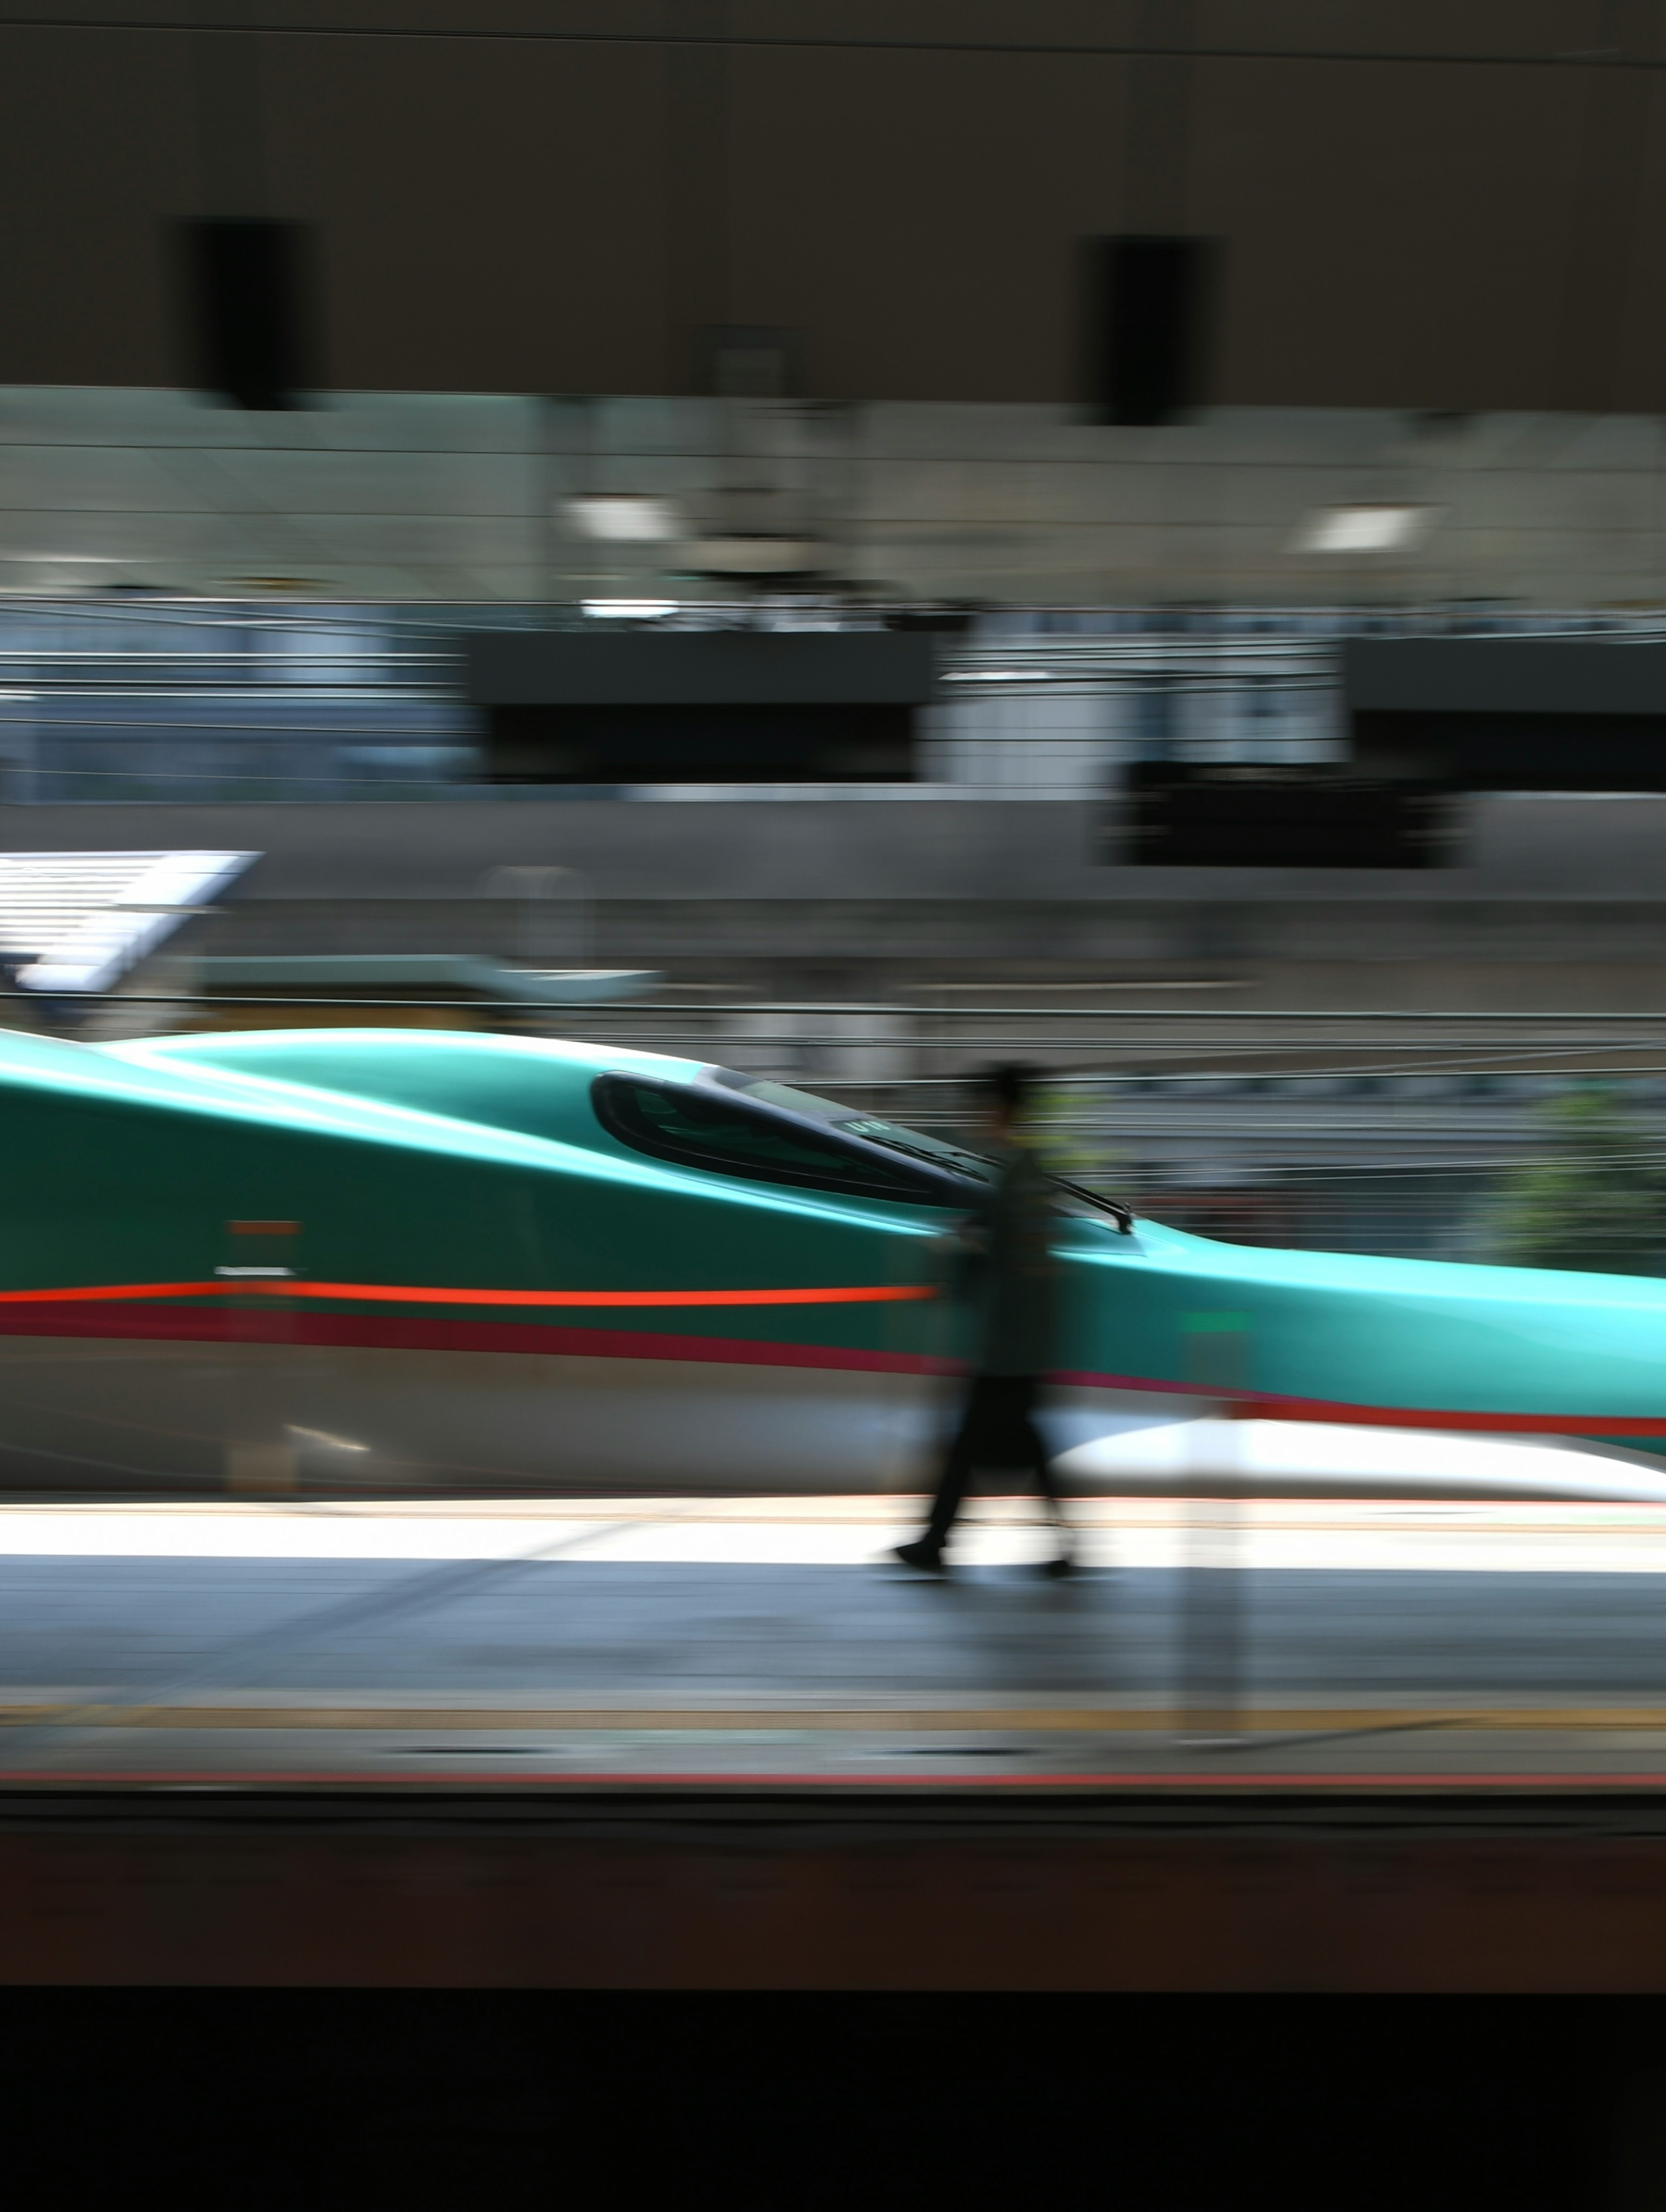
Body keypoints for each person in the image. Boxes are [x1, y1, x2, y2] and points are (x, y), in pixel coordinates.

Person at [893, 1060, 1072, 1578]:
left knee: (974, 1440)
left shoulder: (1018, 1174)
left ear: (997, 1107)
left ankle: (937, 1540)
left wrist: (963, 1247)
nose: (973, 1115)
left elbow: (1015, 1258)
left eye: (979, 1104)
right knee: (1020, 1444)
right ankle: (1060, 1546)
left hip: (1009, 1341)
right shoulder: (1021, 1170)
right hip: (1016, 1339)